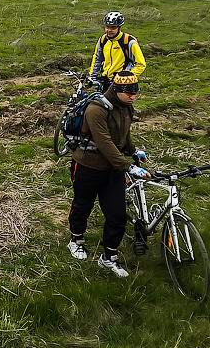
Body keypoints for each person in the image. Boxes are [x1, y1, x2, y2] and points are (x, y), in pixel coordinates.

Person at [67, 71, 149, 278]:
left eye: (135, 90)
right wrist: (128, 166)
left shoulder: (126, 107)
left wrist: (132, 151)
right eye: (127, 91)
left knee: (117, 214)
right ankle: (76, 239)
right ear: (115, 89)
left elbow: (123, 134)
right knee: (83, 204)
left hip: (113, 169)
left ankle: (109, 257)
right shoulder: (96, 110)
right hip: (87, 166)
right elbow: (104, 142)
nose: (132, 95)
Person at [89, 11, 146, 91]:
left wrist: (126, 78)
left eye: (113, 28)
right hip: (105, 81)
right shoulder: (103, 40)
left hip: (121, 84)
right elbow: (97, 59)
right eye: (107, 27)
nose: (109, 30)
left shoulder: (128, 41)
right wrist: (93, 77)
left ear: (119, 28)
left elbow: (140, 64)